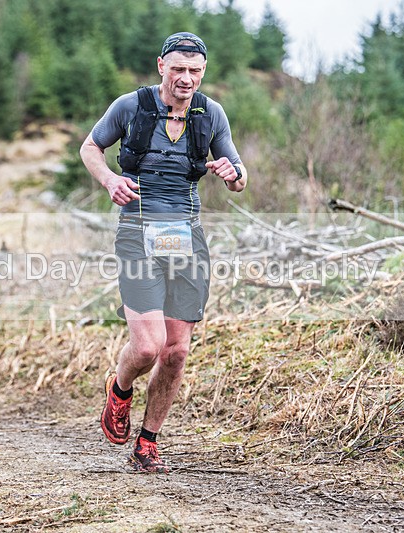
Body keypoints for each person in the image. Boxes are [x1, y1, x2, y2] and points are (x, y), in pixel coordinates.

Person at [79, 32, 247, 473]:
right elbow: (90, 147)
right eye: (178, 69)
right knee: (148, 347)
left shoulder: (211, 114)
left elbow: (238, 176)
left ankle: (148, 442)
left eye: (195, 71)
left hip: (186, 238)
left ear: (203, 72)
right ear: (161, 67)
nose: (186, 78)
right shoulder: (130, 107)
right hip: (137, 233)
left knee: (176, 352)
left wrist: (232, 174)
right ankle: (120, 389)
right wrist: (109, 180)